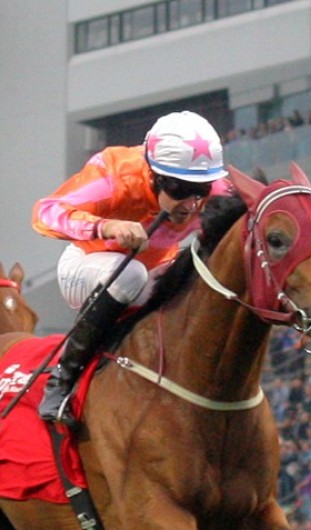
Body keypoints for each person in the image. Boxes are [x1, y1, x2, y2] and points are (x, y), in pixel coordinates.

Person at [32, 110, 229, 428]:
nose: (192, 204)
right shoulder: (115, 173)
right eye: (179, 189)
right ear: (154, 175)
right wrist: (105, 226)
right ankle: (61, 380)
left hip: (156, 273)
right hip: (86, 265)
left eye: (201, 190)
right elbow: (45, 212)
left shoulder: (213, 189)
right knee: (131, 274)